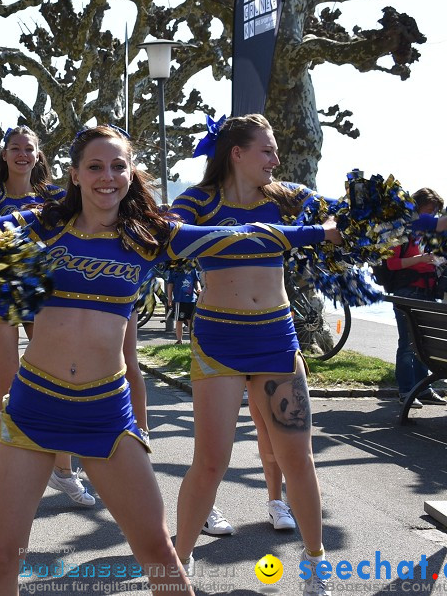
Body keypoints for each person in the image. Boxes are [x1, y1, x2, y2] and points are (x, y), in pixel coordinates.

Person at [0, 124, 338, 595]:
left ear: (131, 174)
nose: (107, 176)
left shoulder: (152, 236)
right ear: (74, 175)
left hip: (104, 411)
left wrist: (318, 231)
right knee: (5, 555)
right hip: (34, 406)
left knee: (158, 552)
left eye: (117, 166)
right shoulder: (40, 228)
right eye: (94, 166)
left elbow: (243, 236)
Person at [168, 114, 349, 595]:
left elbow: (345, 217)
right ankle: (174, 568)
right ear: (237, 154)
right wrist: (302, 234)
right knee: (210, 462)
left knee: (298, 459)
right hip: (219, 342)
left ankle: (315, 567)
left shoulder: (286, 195)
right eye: (266, 150)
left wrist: (337, 224)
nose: (275, 159)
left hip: (275, 338)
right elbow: (169, 238)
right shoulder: (198, 200)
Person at [0, 126, 96, 508]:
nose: (22, 154)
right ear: (5, 153)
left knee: (58, 384)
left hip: (43, 298)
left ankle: (63, 472)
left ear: (39, 154)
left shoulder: (54, 196)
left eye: (29, 148)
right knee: (5, 390)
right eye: (15, 148)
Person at [385, 187, 447, 407]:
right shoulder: (401, 231)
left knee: (424, 343)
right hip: (407, 292)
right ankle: (406, 391)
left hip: (428, 292)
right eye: (428, 210)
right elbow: (392, 264)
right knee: (407, 344)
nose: (431, 216)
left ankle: (423, 389)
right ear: (416, 207)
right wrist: (423, 258)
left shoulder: (429, 234)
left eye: (435, 212)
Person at [166, 266, 200, 345]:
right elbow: (170, 284)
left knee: (191, 321)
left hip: (191, 300)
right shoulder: (174, 269)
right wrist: (170, 298)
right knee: (179, 321)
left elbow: (196, 280)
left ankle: (192, 340)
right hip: (179, 300)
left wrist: (198, 288)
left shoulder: (192, 268)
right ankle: (179, 340)